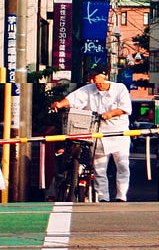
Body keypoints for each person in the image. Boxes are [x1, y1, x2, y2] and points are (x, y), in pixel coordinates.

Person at [55, 68, 133, 202]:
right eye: (93, 80)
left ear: (106, 77)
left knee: (123, 166)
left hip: (118, 134)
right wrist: (60, 104)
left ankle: (121, 196)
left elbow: (125, 108)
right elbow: (73, 99)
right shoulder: (89, 89)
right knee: (99, 168)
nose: (95, 83)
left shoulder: (120, 88)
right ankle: (103, 197)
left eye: (98, 80)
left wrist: (110, 113)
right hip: (98, 134)